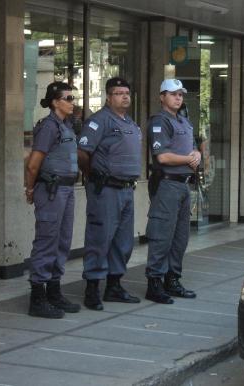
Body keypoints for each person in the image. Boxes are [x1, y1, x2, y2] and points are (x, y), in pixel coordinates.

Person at [77, 77, 142, 310]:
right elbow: (83, 152)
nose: (124, 96)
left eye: (127, 92)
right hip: (105, 189)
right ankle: (92, 289)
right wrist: (92, 175)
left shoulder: (131, 123)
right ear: (108, 97)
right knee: (99, 239)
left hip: (126, 190)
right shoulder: (99, 121)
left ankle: (114, 286)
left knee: (123, 242)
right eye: (118, 93)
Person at [25, 82, 81, 318]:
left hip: (66, 190)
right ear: (55, 102)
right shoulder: (49, 126)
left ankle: (54, 291)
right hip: (51, 190)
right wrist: (29, 189)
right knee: (47, 241)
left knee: (62, 242)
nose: (72, 101)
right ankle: (38, 298)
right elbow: (33, 163)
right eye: (67, 98)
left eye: (73, 97)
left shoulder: (66, 126)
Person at [145, 79, 201, 304]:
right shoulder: (159, 121)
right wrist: (189, 158)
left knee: (180, 237)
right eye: (173, 94)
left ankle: (172, 279)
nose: (178, 98)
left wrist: (196, 153)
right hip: (167, 184)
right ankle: (155, 283)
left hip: (183, 184)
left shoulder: (184, 122)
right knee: (162, 235)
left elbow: (191, 147)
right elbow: (163, 156)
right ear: (162, 97)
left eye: (180, 94)